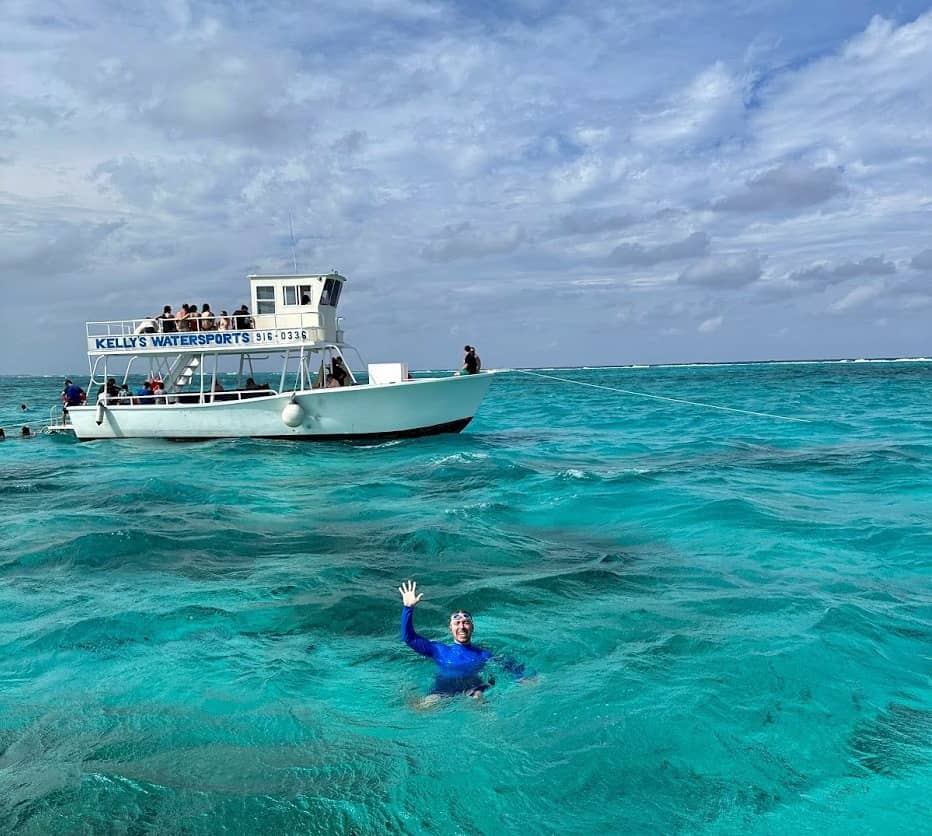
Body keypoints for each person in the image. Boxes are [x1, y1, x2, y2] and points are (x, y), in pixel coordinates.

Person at [398, 580, 526, 701]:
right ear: (450, 628)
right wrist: (408, 608)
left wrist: (523, 678)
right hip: (443, 689)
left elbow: (507, 664)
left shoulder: (483, 654)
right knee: (425, 706)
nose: (461, 627)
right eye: (457, 623)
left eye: (466, 623)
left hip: (473, 689)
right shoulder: (438, 650)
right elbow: (409, 638)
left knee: (480, 703)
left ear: (472, 627)